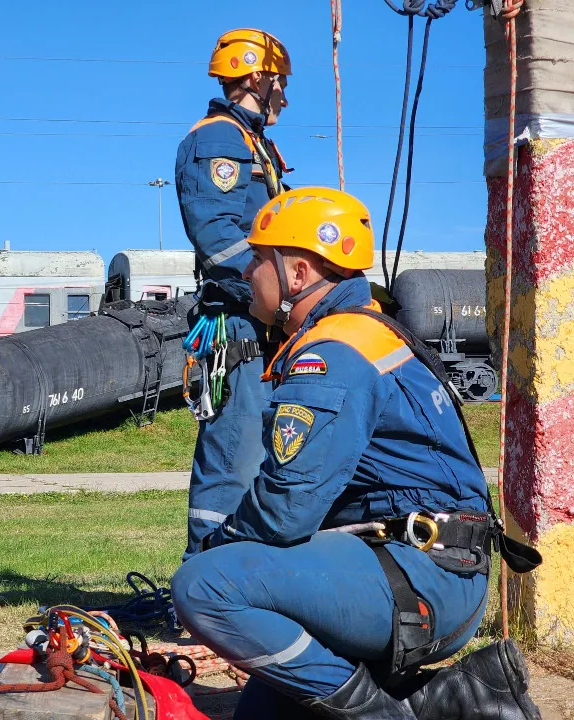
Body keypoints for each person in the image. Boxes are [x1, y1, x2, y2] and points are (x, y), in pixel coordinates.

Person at [171, 186, 541, 719]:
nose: (248, 271)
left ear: (297, 273)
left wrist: (215, 547)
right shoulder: (359, 334)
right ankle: (459, 696)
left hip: (424, 575)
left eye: (257, 257)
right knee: (263, 712)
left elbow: (285, 507)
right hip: (424, 566)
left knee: (205, 586)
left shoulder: (334, 351)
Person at [175, 28, 293, 560]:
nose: (284, 96)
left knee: (269, 454)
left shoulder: (253, 143)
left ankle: (246, 581)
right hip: (240, 323)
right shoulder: (220, 139)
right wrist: (276, 296)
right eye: (280, 83)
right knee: (233, 458)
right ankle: (206, 584)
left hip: (264, 324)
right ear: (255, 76)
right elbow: (217, 234)